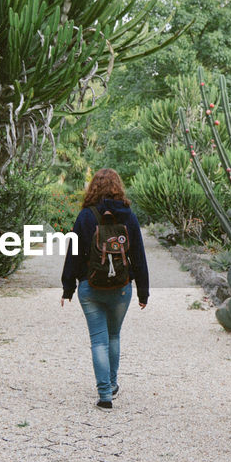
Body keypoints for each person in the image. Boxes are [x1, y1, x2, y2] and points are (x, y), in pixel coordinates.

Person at [60, 168, 149, 409]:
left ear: (93, 189)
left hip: (90, 286)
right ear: (118, 187)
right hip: (121, 288)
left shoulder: (85, 217)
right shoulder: (128, 216)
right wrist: (143, 292)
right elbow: (138, 255)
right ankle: (112, 384)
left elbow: (74, 254)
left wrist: (67, 287)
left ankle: (104, 396)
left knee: (98, 340)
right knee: (113, 336)